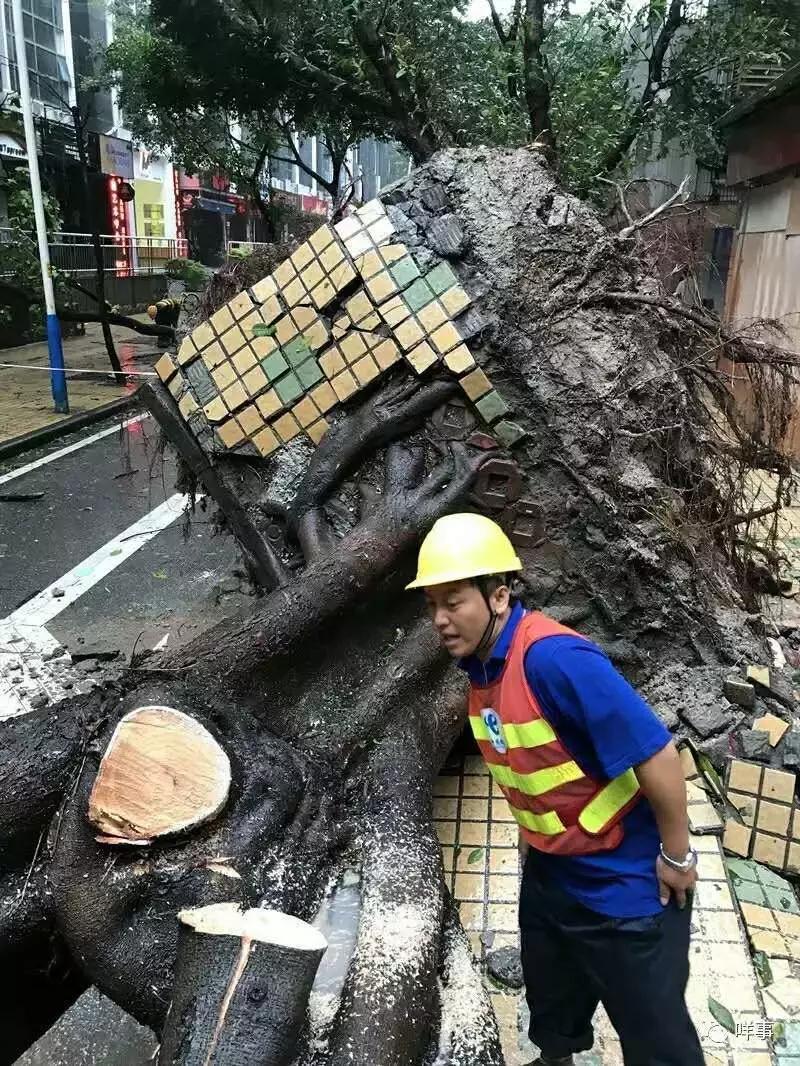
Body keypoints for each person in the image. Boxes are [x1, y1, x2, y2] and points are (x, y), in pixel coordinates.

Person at [407, 513, 703, 1066]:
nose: (441, 620)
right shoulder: (481, 670)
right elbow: (531, 763)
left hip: (626, 888)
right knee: (554, 1011)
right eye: (431, 606)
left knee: (659, 1044)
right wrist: (531, 839)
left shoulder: (555, 659)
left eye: (453, 602)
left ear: (497, 597)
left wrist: (677, 853)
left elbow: (657, 753)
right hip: (552, 878)